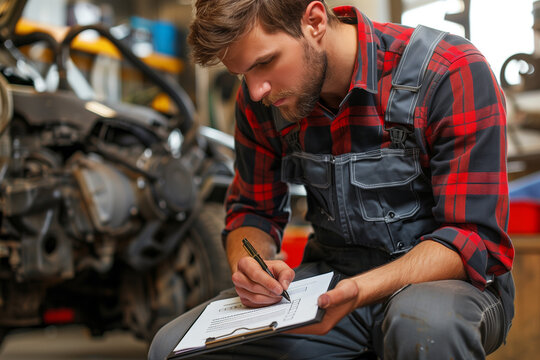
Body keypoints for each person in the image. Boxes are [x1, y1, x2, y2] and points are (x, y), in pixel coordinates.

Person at [149, 1, 515, 359]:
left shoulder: (450, 72)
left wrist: (361, 288)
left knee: (424, 324)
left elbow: (473, 237)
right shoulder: (262, 98)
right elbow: (252, 212)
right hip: (333, 280)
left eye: (264, 62)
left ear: (315, 21)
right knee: (171, 347)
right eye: (244, 73)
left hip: (446, 284)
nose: (257, 89)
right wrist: (252, 264)